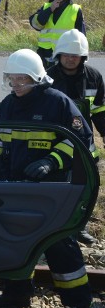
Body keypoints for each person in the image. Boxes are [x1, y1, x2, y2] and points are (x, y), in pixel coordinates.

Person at [0, 49, 96, 308]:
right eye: (12, 79)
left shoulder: (58, 103)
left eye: (21, 80)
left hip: (51, 192)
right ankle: (16, 294)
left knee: (60, 245)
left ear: (36, 79)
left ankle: (82, 305)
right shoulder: (9, 104)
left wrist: (51, 160)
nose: (15, 85)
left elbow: (82, 142)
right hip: (15, 188)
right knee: (13, 240)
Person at [48, 29, 105, 245]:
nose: (70, 59)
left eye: (75, 55)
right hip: (53, 144)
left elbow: (99, 110)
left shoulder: (94, 77)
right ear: (59, 55)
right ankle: (56, 230)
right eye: (66, 54)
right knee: (57, 185)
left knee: (86, 187)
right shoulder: (47, 77)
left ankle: (80, 227)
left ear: (83, 57)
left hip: (83, 143)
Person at [29, 0, 86, 69]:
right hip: (45, 53)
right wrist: (50, 10)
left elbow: (81, 36)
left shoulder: (75, 10)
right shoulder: (46, 7)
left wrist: (80, 57)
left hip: (65, 54)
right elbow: (36, 25)